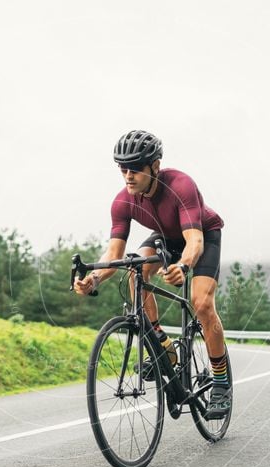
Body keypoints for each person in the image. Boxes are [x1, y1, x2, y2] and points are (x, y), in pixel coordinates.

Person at [73, 130, 232, 418]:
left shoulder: (181, 185)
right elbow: (113, 255)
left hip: (202, 235)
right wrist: (92, 279)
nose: (128, 176)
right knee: (136, 271)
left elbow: (194, 242)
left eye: (135, 169)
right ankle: (163, 346)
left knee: (202, 304)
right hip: (166, 236)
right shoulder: (123, 201)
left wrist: (183, 266)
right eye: (123, 169)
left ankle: (221, 382)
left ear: (155, 166)